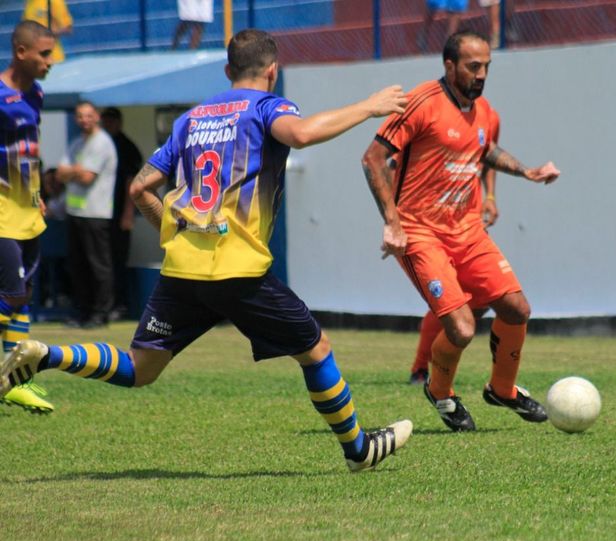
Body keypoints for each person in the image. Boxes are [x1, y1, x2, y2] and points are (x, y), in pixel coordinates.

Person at [1, 29, 412, 472]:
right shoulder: (268, 107)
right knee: (316, 349)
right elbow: (302, 134)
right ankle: (358, 451)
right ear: (273, 70)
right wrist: (369, 107)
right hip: (236, 269)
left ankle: (50, 355)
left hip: (182, 268)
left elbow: (140, 187)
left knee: (142, 368)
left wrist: (174, 232)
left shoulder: (191, 119)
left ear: (227, 70)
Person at [362, 31, 559, 431]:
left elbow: (485, 150)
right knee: (462, 327)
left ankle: (502, 389)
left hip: (467, 230)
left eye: (486, 66)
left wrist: (526, 171)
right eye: (473, 66)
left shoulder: (483, 110)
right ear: (449, 66)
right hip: (420, 232)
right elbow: (373, 158)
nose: (482, 73)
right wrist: (392, 222)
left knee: (517, 308)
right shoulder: (421, 103)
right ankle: (440, 391)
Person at [408, 137, 499, 385]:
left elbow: (487, 158)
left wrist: (489, 196)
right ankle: (421, 370)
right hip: (432, 230)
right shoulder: (427, 123)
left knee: (480, 299)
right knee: (449, 301)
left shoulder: (486, 115)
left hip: (468, 228)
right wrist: (395, 222)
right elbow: (396, 170)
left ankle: (430, 369)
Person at [0, 20, 56, 414]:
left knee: (24, 300)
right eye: (45, 54)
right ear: (22, 52)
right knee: (13, 293)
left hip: (27, 211)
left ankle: (15, 382)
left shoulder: (35, 93)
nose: (51, 61)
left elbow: (28, 150)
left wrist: (36, 194)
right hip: (1, 214)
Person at [56, 101, 118, 328]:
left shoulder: (102, 143)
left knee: (98, 266)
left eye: (89, 115)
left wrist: (70, 172)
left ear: (97, 117)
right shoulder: (77, 143)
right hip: (75, 213)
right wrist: (74, 172)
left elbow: (87, 177)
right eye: (80, 116)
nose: (84, 120)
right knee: (78, 265)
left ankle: (101, 313)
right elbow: (59, 174)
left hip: (96, 213)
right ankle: (82, 312)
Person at [100, 106, 143, 320]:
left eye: (110, 122)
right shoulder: (101, 145)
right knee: (103, 260)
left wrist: (128, 213)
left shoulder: (126, 147)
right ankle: (106, 303)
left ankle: (121, 304)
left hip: (119, 214)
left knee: (117, 260)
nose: (107, 126)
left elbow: (132, 182)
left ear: (118, 123)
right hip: (102, 212)